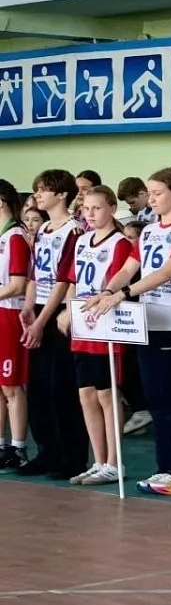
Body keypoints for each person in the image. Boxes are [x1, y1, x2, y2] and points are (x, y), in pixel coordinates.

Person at [86, 168, 171, 496]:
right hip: (146, 323)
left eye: (157, 193)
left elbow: (166, 273)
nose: (151, 199)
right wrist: (107, 291)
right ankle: (165, 468)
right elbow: (129, 268)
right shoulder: (149, 231)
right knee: (155, 398)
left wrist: (123, 294)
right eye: (149, 193)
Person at [59, 186, 133, 486]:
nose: (90, 214)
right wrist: (68, 311)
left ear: (112, 209)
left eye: (97, 208)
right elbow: (74, 282)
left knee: (107, 394)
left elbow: (115, 284)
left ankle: (115, 462)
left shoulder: (120, 243)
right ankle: (98, 460)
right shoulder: (81, 241)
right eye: (86, 209)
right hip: (83, 326)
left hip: (106, 326)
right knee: (86, 394)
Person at [19, 169, 87, 480]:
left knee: (63, 387)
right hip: (39, 308)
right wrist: (28, 306)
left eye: (44, 189)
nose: (38, 195)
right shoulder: (44, 228)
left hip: (59, 311)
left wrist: (43, 319)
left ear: (62, 194)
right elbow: (35, 273)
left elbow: (64, 280)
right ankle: (46, 451)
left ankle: (71, 456)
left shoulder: (73, 231)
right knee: (38, 385)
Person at [0, 180, 31, 471]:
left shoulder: (16, 236)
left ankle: (18, 447)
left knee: (11, 385)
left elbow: (18, 284)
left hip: (10, 314)